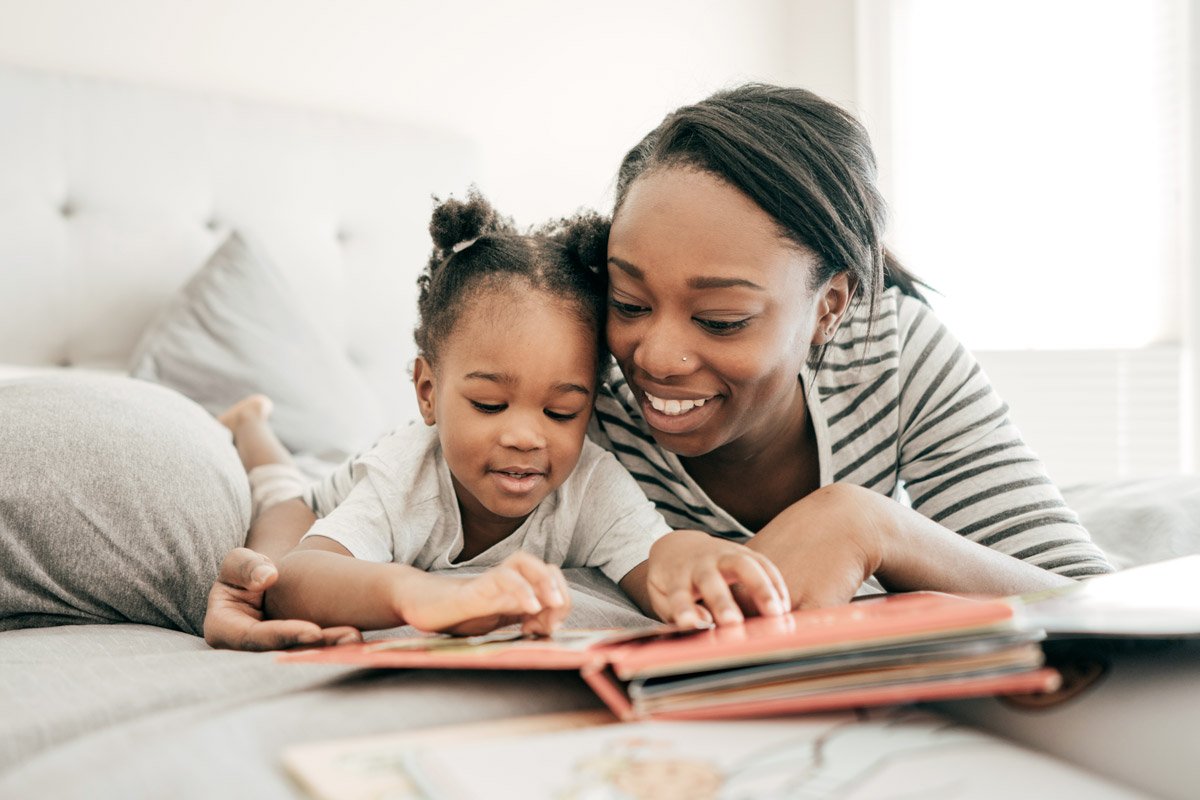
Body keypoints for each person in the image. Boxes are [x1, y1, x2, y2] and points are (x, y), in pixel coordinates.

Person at [204, 84, 1112, 651]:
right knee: (288, 478)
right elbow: (380, 505)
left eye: (721, 318)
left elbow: (1105, 603)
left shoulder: (898, 355)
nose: (656, 359)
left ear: (832, 306)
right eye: (630, 301)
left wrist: (872, 525)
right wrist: (268, 575)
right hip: (343, 481)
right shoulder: (570, 392)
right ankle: (253, 430)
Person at [210, 191, 789, 645]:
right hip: (322, 500)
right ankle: (251, 424)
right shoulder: (403, 478)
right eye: (489, 405)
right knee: (279, 503)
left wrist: (690, 556)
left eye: (561, 411)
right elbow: (301, 576)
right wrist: (419, 594)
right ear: (429, 392)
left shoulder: (592, 485)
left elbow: (651, 556)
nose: (524, 437)